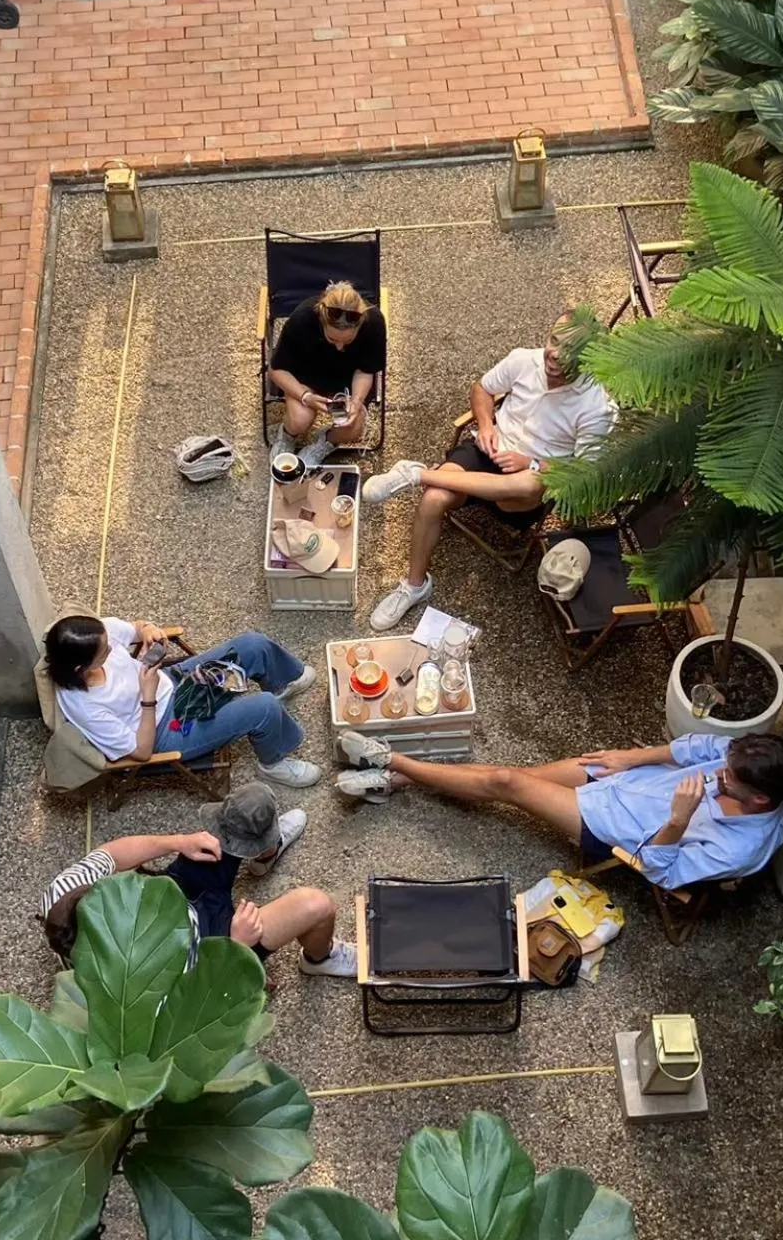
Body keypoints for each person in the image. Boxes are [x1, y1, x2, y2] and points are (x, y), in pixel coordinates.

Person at [359, 307, 614, 632]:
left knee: (530, 484)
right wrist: (486, 423)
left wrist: (533, 463)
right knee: (434, 499)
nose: (554, 354)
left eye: (569, 351)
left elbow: (586, 469)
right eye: (554, 340)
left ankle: (415, 473)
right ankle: (414, 585)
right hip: (487, 451)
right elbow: (482, 388)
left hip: (523, 485)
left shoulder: (597, 405)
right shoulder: (524, 360)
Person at [334, 731, 783, 891]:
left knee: (506, 783)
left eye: (728, 779)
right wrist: (630, 757)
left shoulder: (743, 847)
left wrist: (678, 821)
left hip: (610, 826)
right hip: (623, 780)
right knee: (509, 775)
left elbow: (663, 873)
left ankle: (390, 761)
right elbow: (699, 746)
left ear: (759, 799)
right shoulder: (749, 762)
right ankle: (395, 782)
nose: (720, 771)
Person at [39, 781, 356, 977]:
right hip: (209, 942)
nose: (125, 882)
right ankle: (320, 959)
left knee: (231, 828)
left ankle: (263, 848)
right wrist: (235, 945)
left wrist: (178, 842)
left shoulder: (65, 893)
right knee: (316, 906)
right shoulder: (138, 973)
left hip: (172, 899)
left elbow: (111, 853)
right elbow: (198, 999)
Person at [45, 615, 322, 788]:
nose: (112, 648)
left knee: (253, 644)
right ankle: (272, 764)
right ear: (79, 669)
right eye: (105, 652)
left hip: (173, 680)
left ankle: (281, 683)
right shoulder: (85, 705)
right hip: (164, 731)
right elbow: (140, 752)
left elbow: (136, 628)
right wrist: (148, 696)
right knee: (263, 708)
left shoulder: (95, 634)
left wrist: (149, 631)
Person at [268, 280, 386, 467]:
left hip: (348, 380)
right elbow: (275, 369)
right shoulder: (302, 320)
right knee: (300, 420)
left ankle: (323, 443)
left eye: (347, 341)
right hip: (306, 375)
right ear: (321, 320)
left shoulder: (374, 323)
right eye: (332, 339)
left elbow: (365, 371)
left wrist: (356, 401)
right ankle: (287, 435)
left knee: (352, 428)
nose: (339, 347)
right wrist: (306, 396)